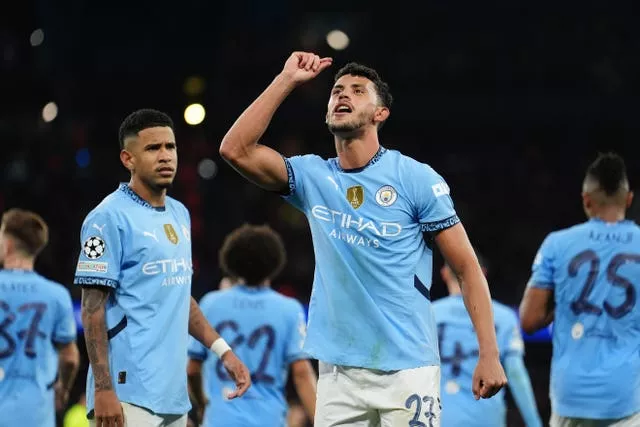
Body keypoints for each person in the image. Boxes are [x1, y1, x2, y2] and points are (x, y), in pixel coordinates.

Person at [219, 51, 506, 426]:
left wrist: (489, 352)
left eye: (357, 90)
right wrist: (286, 80)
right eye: (337, 90)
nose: (343, 95)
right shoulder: (313, 177)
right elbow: (234, 150)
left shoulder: (415, 179)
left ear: (379, 113)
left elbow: (467, 268)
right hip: (339, 374)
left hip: (409, 368)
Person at [74, 108, 250, 427]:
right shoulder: (107, 218)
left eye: (170, 147)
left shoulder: (180, 214)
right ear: (128, 159)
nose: (165, 156)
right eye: (153, 148)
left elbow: (180, 297)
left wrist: (224, 351)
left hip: (172, 395)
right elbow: (91, 308)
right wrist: (103, 389)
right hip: (127, 393)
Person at [520, 152, 640, 427]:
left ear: (586, 199)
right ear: (629, 199)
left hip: (571, 396)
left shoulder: (557, 244)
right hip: (626, 395)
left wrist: (562, 302)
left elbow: (528, 320)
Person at [187, 224, 317, 427]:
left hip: (220, 419)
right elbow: (301, 374)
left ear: (231, 262)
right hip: (269, 420)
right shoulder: (289, 310)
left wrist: (203, 407)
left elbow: (192, 370)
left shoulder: (211, 304)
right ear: (275, 263)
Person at [434, 257, 542, 427]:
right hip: (485, 419)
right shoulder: (504, 317)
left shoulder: (428, 313)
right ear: (481, 274)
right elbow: (516, 374)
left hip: (437, 418)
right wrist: (534, 424)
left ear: (444, 274)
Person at [0, 208, 80, 427]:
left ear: (6, 245)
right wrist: (62, 389)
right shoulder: (56, 295)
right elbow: (70, 358)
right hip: (34, 413)